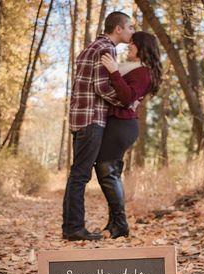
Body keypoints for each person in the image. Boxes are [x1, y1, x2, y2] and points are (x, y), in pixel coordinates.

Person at [62, 12, 135, 241]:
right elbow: (102, 88)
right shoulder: (107, 49)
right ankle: (74, 229)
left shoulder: (90, 47)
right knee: (80, 175)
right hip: (92, 119)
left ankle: (71, 227)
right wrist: (127, 100)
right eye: (130, 27)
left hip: (80, 118)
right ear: (118, 29)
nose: (132, 32)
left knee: (78, 174)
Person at [95, 31, 162, 239]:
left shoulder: (143, 72)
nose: (128, 46)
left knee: (107, 170)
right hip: (117, 124)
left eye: (132, 44)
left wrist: (114, 71)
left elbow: (127, 98)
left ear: (143, 47)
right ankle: (114, 223)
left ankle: (121, 224)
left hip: (123, 125)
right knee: (109, 170)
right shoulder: (133, 69)